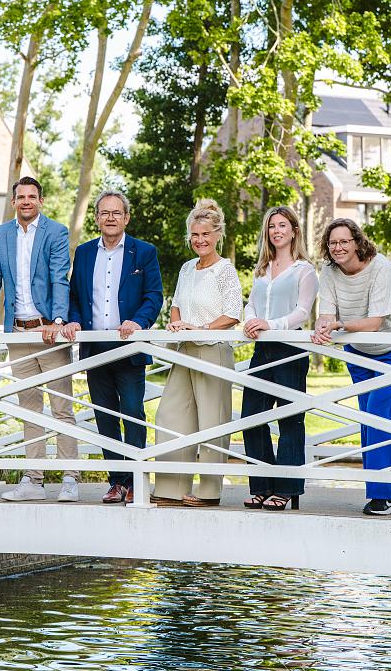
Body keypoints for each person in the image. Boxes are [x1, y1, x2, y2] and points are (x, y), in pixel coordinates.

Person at [0, 176, 77, 502]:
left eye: (32, 196)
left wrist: (58, 321)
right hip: (16, 332)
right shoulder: (2, 234)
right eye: (21, 197)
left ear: (40, 201)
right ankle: (33, 480)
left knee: (62, 408)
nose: (27, 201)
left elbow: (61, 277)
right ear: (14, 201)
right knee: (29, 408)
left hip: (48, 332)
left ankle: (70, 477)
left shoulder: (56, 232)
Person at [62, 191, 164, 505]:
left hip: (128, 346)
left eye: (116, 213)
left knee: (133, 412)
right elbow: (76, 296)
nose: (110, 218)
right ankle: (116, 481)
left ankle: (135, 479)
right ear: (96, 218)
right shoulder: (84, 252)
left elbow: (154, 296)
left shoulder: (143, 252)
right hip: (95, 348)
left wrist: (138, 322)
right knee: (104, 416)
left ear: (126, 217)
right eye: (105, 212)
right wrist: (74, 321)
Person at [311, 217, 391, 517]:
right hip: (358, 353)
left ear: (357, 242)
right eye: (333, 243)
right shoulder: (329, 271)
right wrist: (322, 326)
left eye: (344, 241)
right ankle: (379, 491)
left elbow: (374, 322)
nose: (338, 247)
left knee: (379, 416)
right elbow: (326, 312)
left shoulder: (380, 267)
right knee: (366, 418)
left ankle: (383, 495)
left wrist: (339, 324)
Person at [151, 199, 242, 507]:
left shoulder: (225, 270)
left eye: (205, 234)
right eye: (195, 235)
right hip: (184, 350)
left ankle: (209, 490)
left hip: (213, 349)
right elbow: (175, 303)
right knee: (171, 414)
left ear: (218, 235)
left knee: (211, 420)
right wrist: (177, 325)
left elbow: (232, 313)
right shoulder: (187, 268)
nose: (200, 240)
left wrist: (199, 328)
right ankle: (170, 485)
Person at [241, 206, 317, 512]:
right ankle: (262, 485)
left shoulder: (305, 270)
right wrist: (249, 321)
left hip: (290, 348)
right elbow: (251, 304)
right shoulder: (262, 269)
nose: (277, 231)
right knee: (252, 416)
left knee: (290, 419)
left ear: (294, 230)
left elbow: (303, 311)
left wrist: (270, 325)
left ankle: (287, 488)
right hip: (262, 351)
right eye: (272, 226)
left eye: (283, 225)